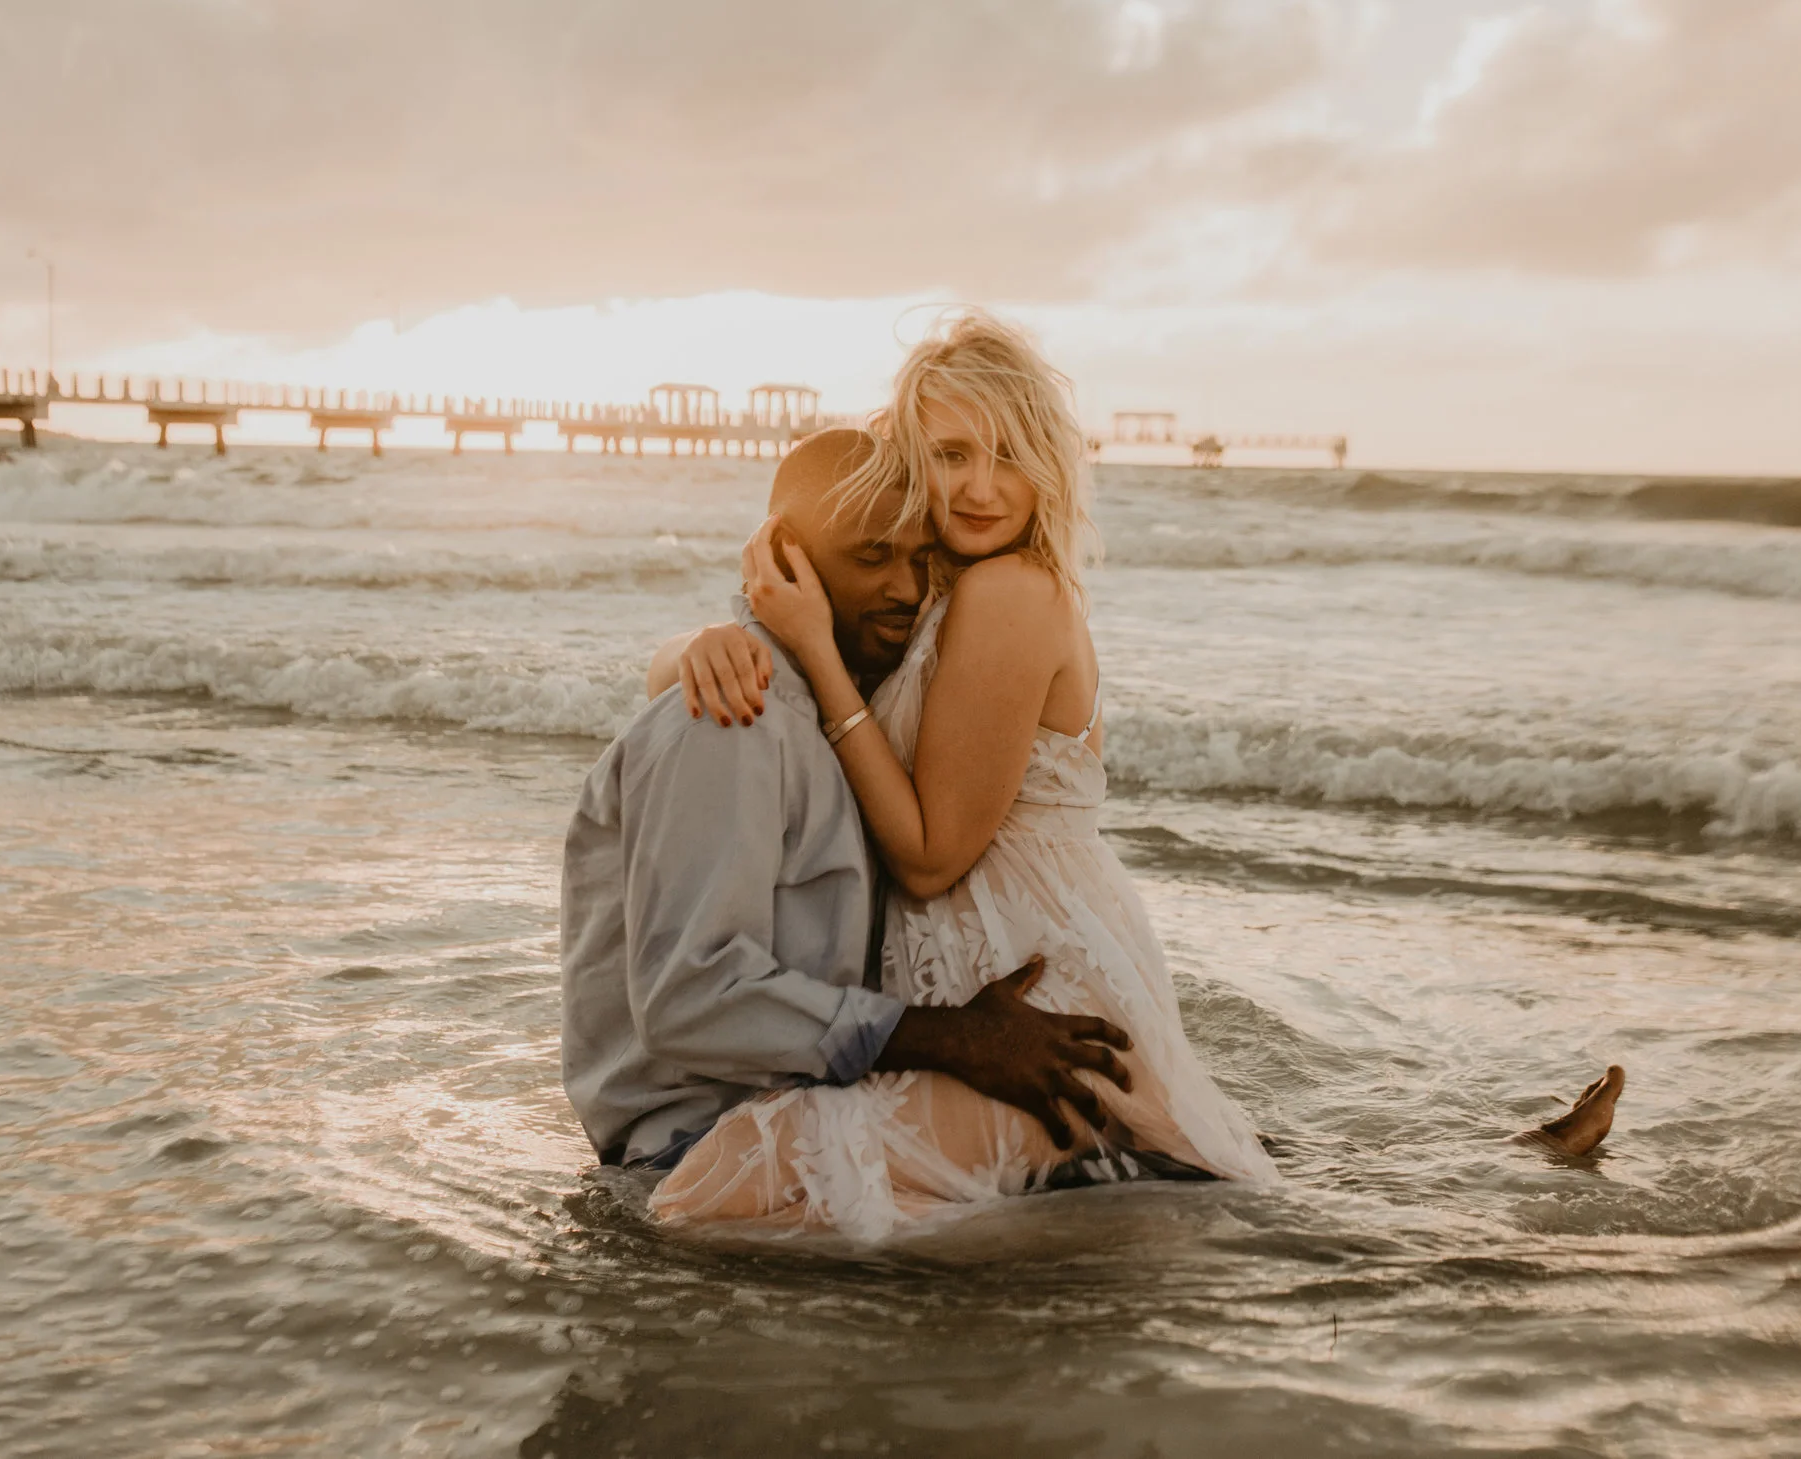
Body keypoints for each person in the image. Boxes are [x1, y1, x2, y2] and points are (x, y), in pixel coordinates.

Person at [651, 311, 1625, 1234]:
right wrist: (703, 643)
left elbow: (931, 856)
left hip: (1039, 996)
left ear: (1050, 468)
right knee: (1203, 1167)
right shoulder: (933, 588)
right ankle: (1513, 1159)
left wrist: (814, 657)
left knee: (727, 1183)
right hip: (1014, 982)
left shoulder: (1009, 592)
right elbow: (731, 672)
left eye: (1009, 456)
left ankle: (1511, 1219)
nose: (980, 487)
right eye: (950, 455)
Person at [558, 428, 1138, 1203]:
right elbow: (689, 998)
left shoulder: (848, 709)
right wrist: (952, 1038)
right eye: (872, 558)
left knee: (1117, 1138)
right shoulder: (731, 718)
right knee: (1101, 1173)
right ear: (785, 558)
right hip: (694, 1148)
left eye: (923, 558)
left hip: (804, 1101)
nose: (905, 589)